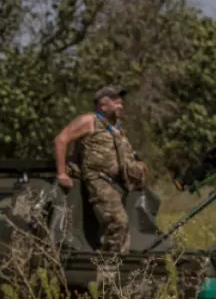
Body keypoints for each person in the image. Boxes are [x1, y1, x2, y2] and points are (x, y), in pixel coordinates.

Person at [53, 85, 149, 253]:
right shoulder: (89, 121)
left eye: (121, 102)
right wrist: (62, 173)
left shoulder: (116, 125)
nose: (121, 104)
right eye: (115, 101)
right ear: (102, 104)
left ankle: (119, 267)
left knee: (124, 229)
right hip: (98, 179)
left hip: (119, 183)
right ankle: (107, 265)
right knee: (117, 221)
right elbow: (61, 140)